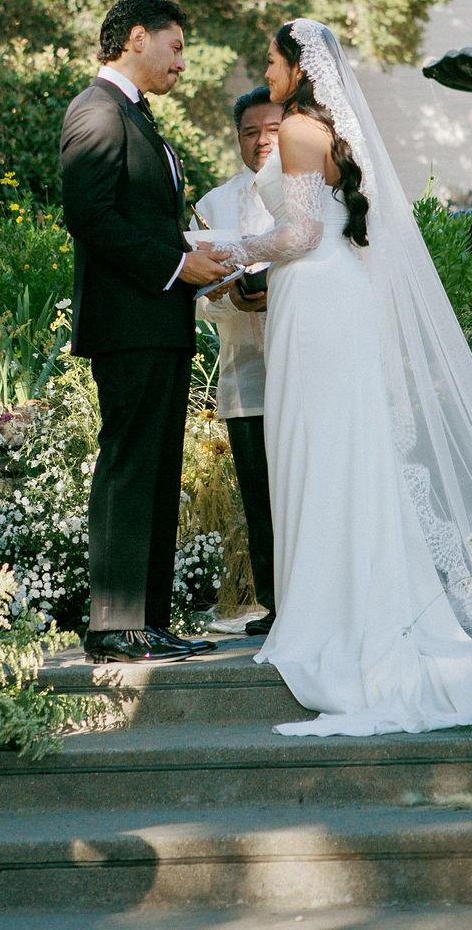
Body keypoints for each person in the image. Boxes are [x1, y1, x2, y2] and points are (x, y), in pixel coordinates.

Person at [218, 19, 472, 735]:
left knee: (321, 455)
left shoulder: (293, 130)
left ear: (299, 68)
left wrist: (225, 249)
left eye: (272, 60)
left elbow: (300, 235)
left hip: (313, 297)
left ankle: (326, 619)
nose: (268, 70)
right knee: (346, 453)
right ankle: (341, 603)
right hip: (326, 297)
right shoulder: (326, 131)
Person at [60, 0, 230, 664]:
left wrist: (199, 258)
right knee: (131, 466)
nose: (182, 63)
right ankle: (114, 624)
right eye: (177, 47)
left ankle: (147, 621)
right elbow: (91, 218)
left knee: (156, 471)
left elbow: (141, 216)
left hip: (158, 321)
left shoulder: (134, 116)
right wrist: (175, 265)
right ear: (137, 39)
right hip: (129, 325)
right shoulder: (97, 112)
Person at [193, 87, 283, 636]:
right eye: (250, 132)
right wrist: (224, 296)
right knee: (259, 495)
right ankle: (275, 606)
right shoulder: (214, 204)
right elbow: (199, 295)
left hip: (305, 367)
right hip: (245, 371)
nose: (261, 141)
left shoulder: (310, 193)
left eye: (271, 129)